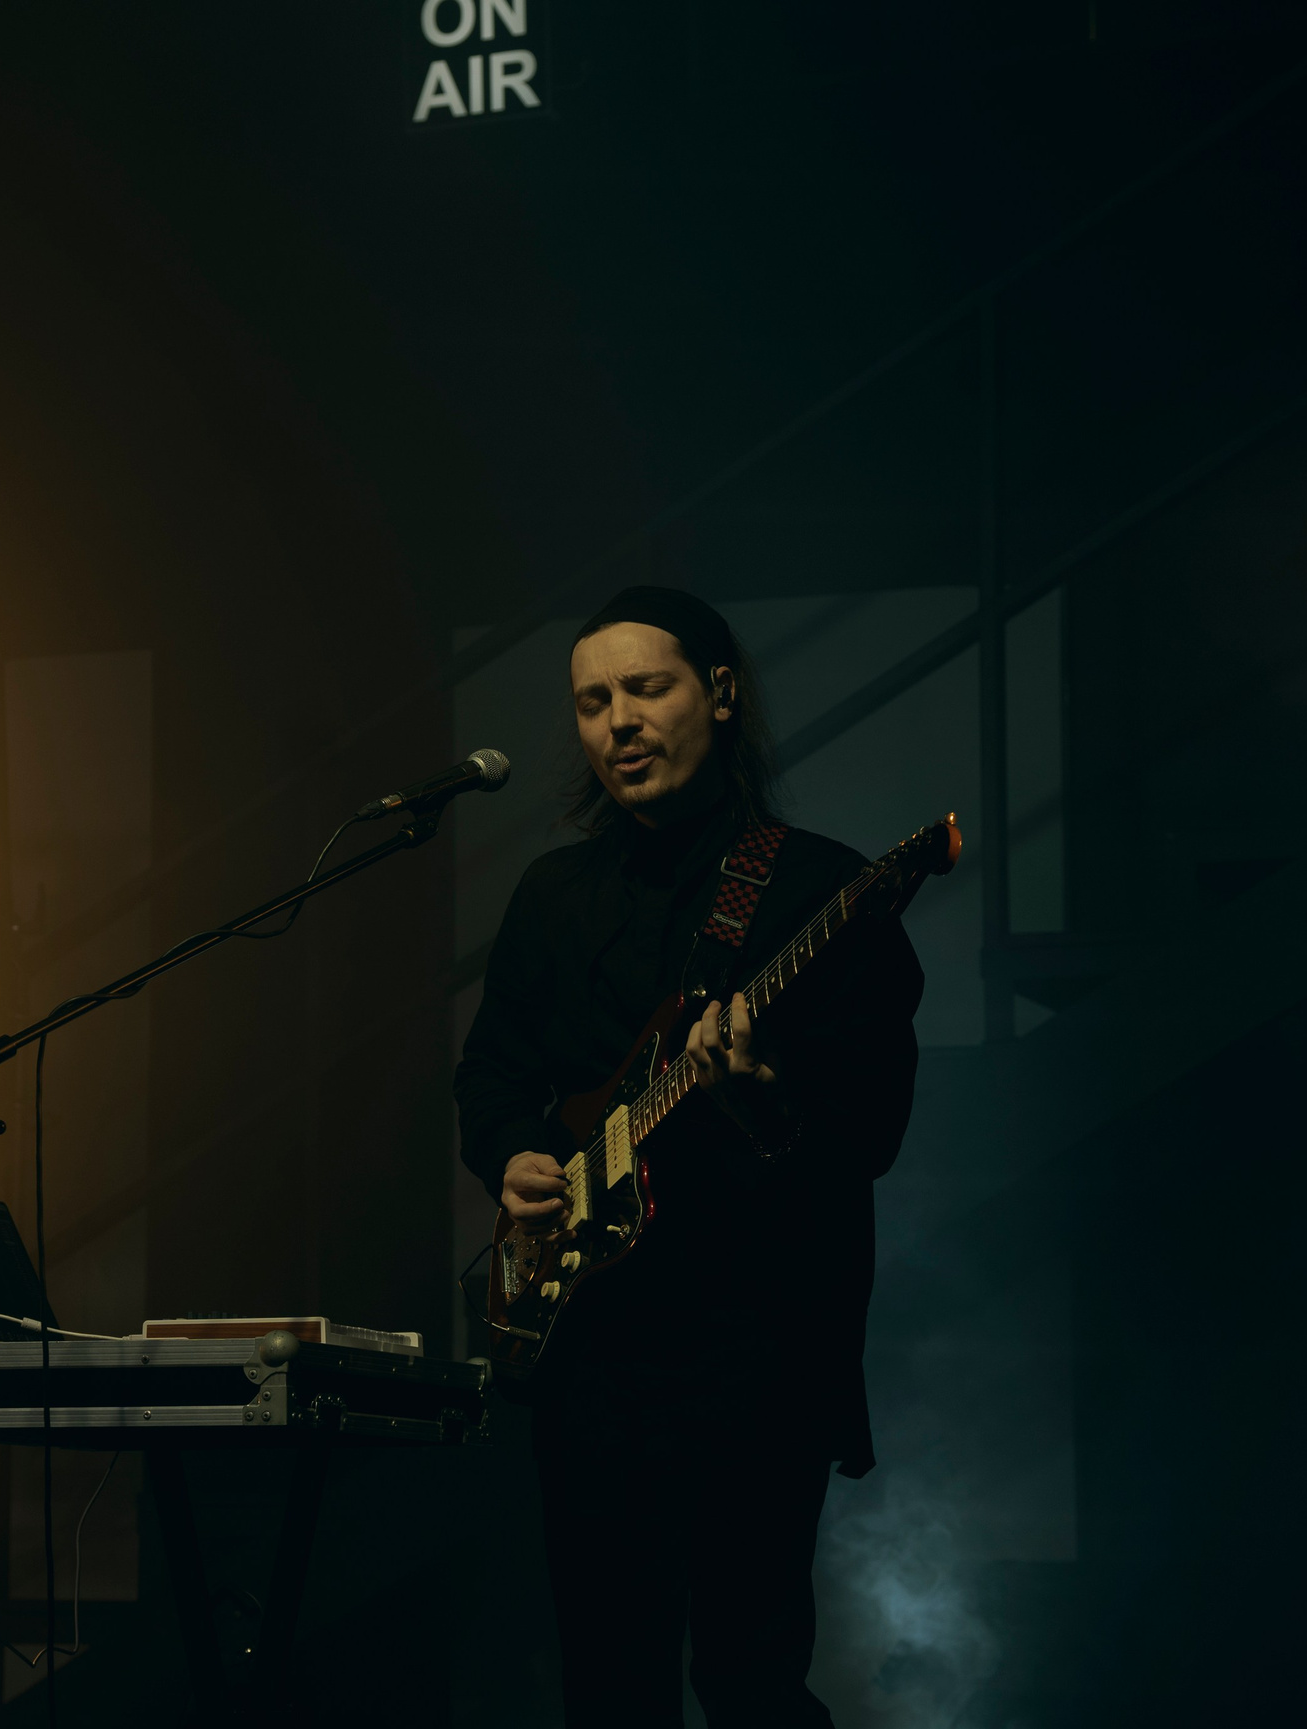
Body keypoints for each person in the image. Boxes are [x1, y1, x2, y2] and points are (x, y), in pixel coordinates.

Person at [454, 586, 925, 1728]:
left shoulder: (821, 891)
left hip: (755, 1354)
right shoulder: (552, 896)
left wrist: (760, 1097)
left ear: (718, 693)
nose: (617, 720)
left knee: (750, 1679)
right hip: (590, 1351)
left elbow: (871, 1129)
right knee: (607, 1686)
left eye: (645, 688)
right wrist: (515, 1156)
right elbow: (491, 1078)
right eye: (591, 702)